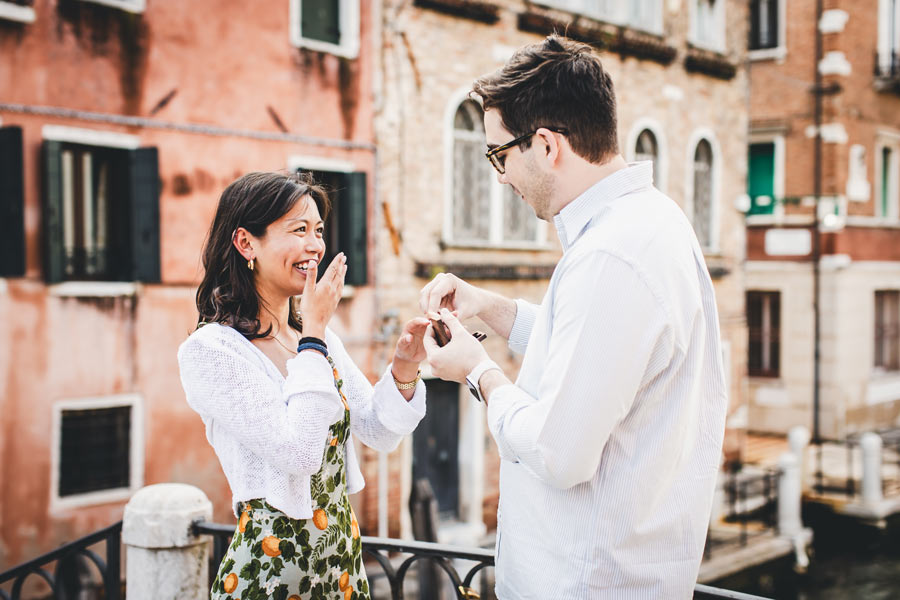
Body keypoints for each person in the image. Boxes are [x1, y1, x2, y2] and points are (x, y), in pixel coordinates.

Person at [420, 35, 727, 598]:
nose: (500, 177)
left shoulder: (612, 253)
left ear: (544, 145)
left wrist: (478, 370)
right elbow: (596, 355)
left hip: (586, 581)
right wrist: (490, 307)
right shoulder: (651, 222)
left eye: (499, 155)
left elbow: (558, 454)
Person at [178, 171, 429, 600]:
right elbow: (299, 453)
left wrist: (405, 368)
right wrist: (313, 333)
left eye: (318, 231)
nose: (315, 245)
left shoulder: (316, 339)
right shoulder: (211, 351)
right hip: (270, 572)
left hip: (342, 568)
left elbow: (378, 431)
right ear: (246, 244)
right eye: (299, 230)